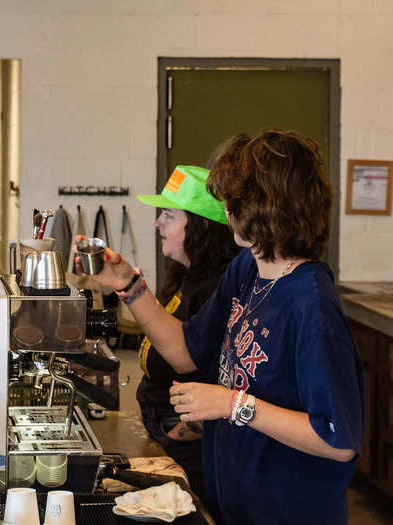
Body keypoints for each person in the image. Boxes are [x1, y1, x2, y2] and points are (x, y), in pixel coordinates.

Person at [84, 129, 364, 525]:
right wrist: (129, 286)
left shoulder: (312, 306)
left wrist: (232, 404)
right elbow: (185, 351)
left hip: (288, 510)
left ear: (264, 207)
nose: (227, 209)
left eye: (233, 199)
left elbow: (337, 441)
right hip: (236, 500)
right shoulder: (248, 267)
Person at [134, 165, 239, 500]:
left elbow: (213, 375)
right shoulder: (187, 276)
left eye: (168, 216)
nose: (157, 224)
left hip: (186, 443)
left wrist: (181, 434)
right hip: (162, 425)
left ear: (200, 226)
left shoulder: (213, 288)